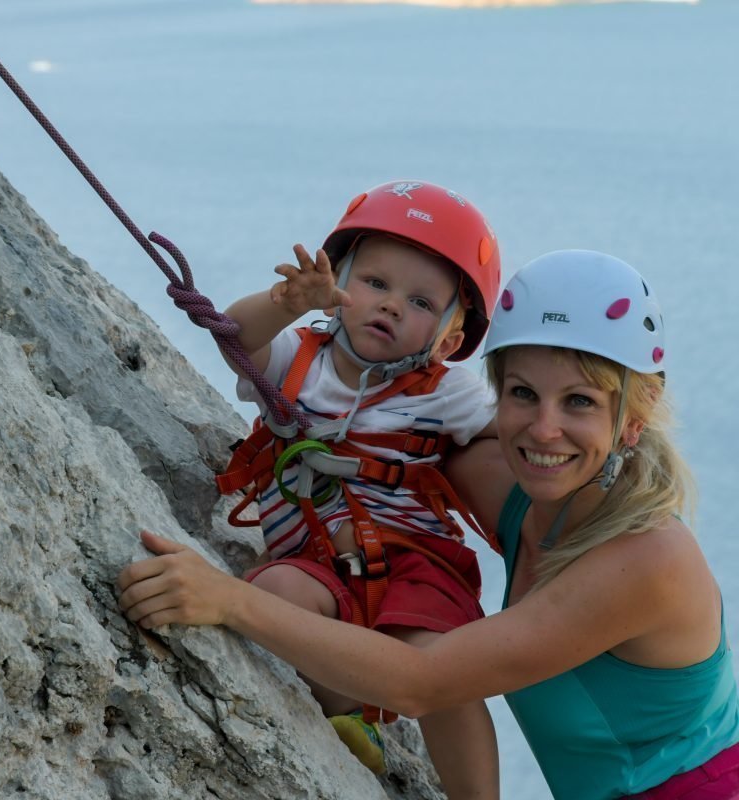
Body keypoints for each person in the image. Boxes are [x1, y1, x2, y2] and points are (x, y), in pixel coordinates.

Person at [118, 249, 739, 800]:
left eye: (579, 401)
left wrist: (226, 600)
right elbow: (383, 430)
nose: (543, 429)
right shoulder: (524, 489)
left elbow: (420, 683)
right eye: (523, 394)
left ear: (634, 417)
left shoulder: (649, 560)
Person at [210, 181, 502, 794]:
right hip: (314, 563)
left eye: (421, 302)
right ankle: (349, 714)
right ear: (338, 282)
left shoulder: (448, 391)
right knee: (275, 591)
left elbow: (514, 432)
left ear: (449, 338)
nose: (392, 305)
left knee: (446, 670)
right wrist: (285, 301)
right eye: (374, 283)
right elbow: (232, 333)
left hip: (413, 562)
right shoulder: (298, 358)